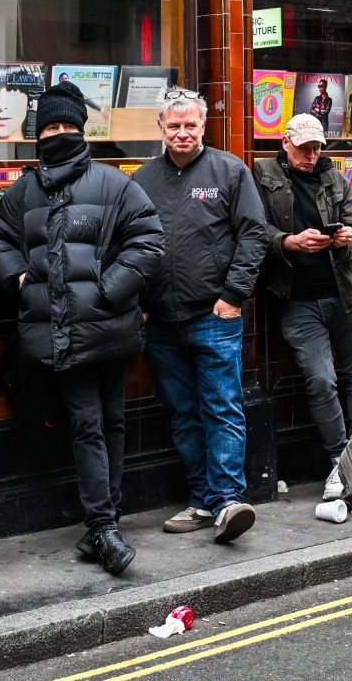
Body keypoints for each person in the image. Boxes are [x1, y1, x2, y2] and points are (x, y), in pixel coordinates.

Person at [0, 82, 164, 575]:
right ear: (38, 132)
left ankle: (101, 527)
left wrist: (108, 290)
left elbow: (148, 242)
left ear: (81, 129)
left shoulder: (115, 185)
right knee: (88, 424)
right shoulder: (22, 192)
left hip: (109, 328)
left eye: (67, 125)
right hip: (57, 331)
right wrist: (21, 279)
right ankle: (104, 526)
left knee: (112, 423)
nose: (59, 134)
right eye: (50, 127)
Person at [133, 88, 269, 543]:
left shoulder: (229, 170)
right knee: (183, 414)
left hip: (215, 314)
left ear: (203, 126)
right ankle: (202, 500)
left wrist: (233, 294)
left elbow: (254, 236)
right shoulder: (142, 180)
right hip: (161, 322)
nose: (183, 133)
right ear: (161, 129)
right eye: (174, 126)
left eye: (190, 124)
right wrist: (139, 302)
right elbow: (128, 246)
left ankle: (229, 500)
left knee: (222, 407)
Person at [253, 113, 352, 502]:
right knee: (322, 380)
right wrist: (288, 242)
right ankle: (340, 460)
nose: (311, 154)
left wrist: (346, 239)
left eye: (317, 146)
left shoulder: (335, 178)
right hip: (298, 298)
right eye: (303, 147)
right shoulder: (262, 173)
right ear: (285, 142)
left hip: (345, 292)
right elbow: (255, 228)